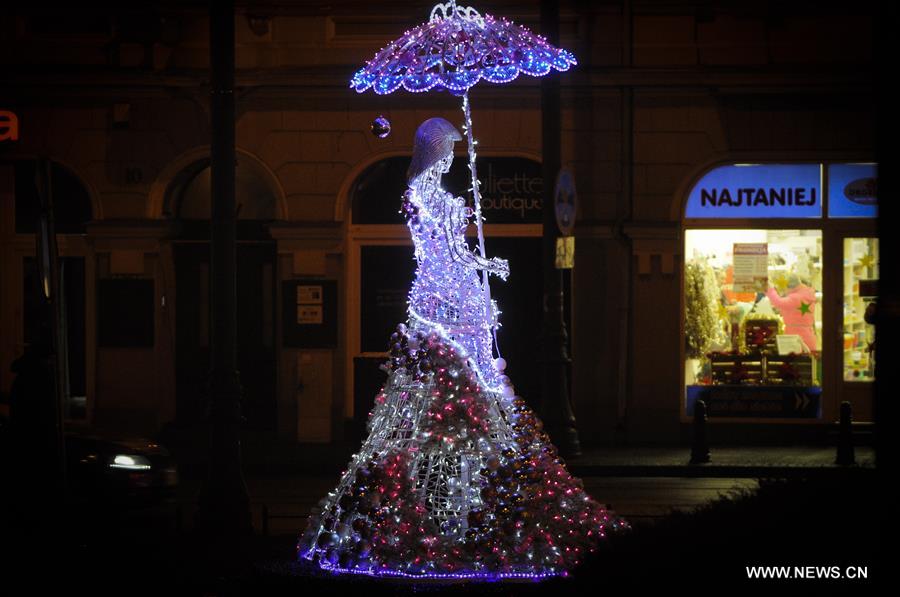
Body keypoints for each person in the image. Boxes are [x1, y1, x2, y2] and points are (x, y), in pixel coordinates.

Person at [296, 117, 629, 579]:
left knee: (484, 377)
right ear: (432, 150)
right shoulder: (421, 198)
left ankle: (482, 481)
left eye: (456, 148)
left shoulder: (444, 198)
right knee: (457, 379)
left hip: (463, 289)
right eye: (447, 148)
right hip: (440, 296)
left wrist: (485, 260)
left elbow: (458, 248)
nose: (452, 156)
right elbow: (439, 250)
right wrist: (469, 260)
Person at [766, 274, 818, 352]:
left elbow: (778, 302)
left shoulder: (795, 298)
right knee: (808, 363)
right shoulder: (806, 294)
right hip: (808, 336)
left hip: (797, 338)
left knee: (795, 363)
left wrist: (769, 289)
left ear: (789, 287)